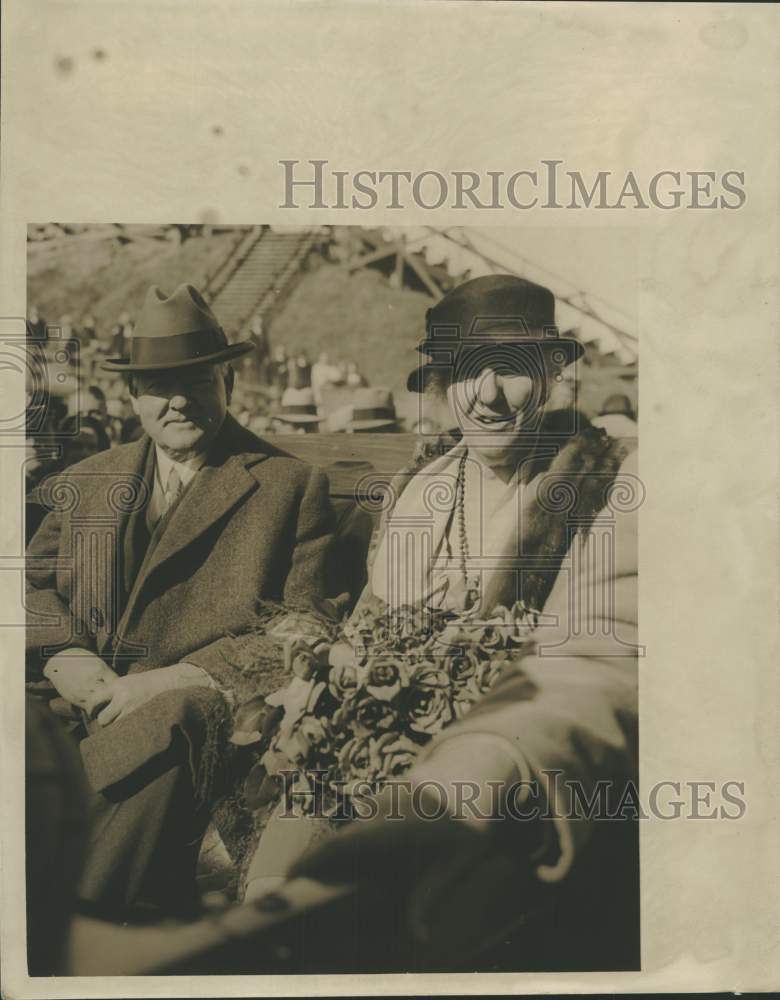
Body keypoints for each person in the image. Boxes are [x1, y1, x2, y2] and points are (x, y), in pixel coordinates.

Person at [275, 275, 640, 970]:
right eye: (465, 373)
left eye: (511, 370)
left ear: (553, 378)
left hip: (516, 790)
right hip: (368, 765)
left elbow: (597, 674)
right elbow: (364, 636)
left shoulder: (604, 488)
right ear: (442, 385)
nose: (487, 396)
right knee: (281, 892)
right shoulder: (422, 489)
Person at [25, 283, 337, 920]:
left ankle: (72, 928)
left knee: (177, 722)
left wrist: (166, 680)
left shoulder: (289, 485)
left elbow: (305, 627)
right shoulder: (85, 480)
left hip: (184, 720)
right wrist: (65, 655)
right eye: (156, 385)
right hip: (58, 701)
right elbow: (26, 587)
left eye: (195, 380)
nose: (176, 401)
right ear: (133, 396)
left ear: (227, 380)